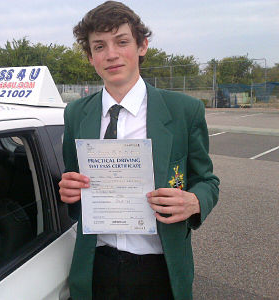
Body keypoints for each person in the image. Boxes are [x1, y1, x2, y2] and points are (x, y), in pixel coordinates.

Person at [58, 1, 219, 299]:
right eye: (99, 46)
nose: (112, 54)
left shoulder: (184, 111)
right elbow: (73, 181)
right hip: (97, 266)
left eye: (122, 42)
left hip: (160, 269)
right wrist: (69, 190)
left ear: (142, 45)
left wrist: (194, 201)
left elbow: (208, 181)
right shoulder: (76, 113)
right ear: (91, 57)